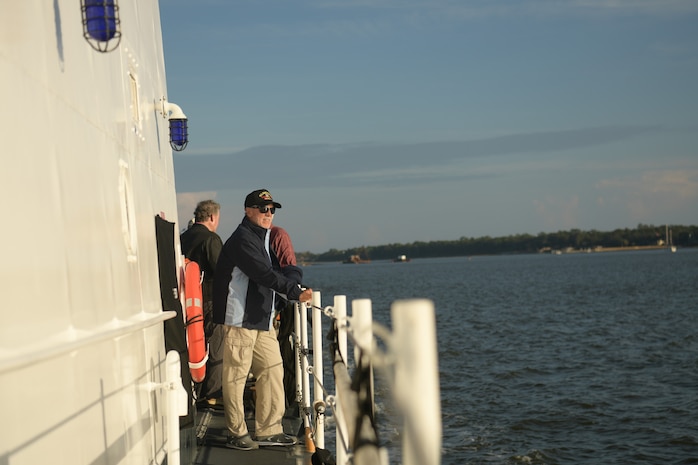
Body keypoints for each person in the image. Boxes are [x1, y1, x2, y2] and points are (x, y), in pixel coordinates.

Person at [213, 189, 313, 451]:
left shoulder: (262, 238)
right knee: (235, 376)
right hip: (240, 319)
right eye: (262, 209)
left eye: (271, 209)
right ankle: (237, 432)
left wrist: (294, 281)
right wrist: (296, 292)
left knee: (272, 370)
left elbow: (277, 270)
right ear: (248, 211)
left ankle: (269, 430)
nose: (268, 214)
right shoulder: (242, 240)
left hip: (262, 318)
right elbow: (264, 274)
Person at [179, 200, 224, 405]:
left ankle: (192, 389)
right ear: (213, 217)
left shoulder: (182, 238)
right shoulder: (211, 239)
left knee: (191, 345)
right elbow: (222, 272)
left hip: (185, 301)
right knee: (216, 345)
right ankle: (212, 393)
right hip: (210, 300)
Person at [270, 225, 302, 413]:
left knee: (279, 355)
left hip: (273, 305)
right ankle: (283, 402)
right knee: (278, 356)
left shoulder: (274, 236)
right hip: (272, 307)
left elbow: (288, 267)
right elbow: (289, 264)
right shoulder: (277, 235)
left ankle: (283, 400)